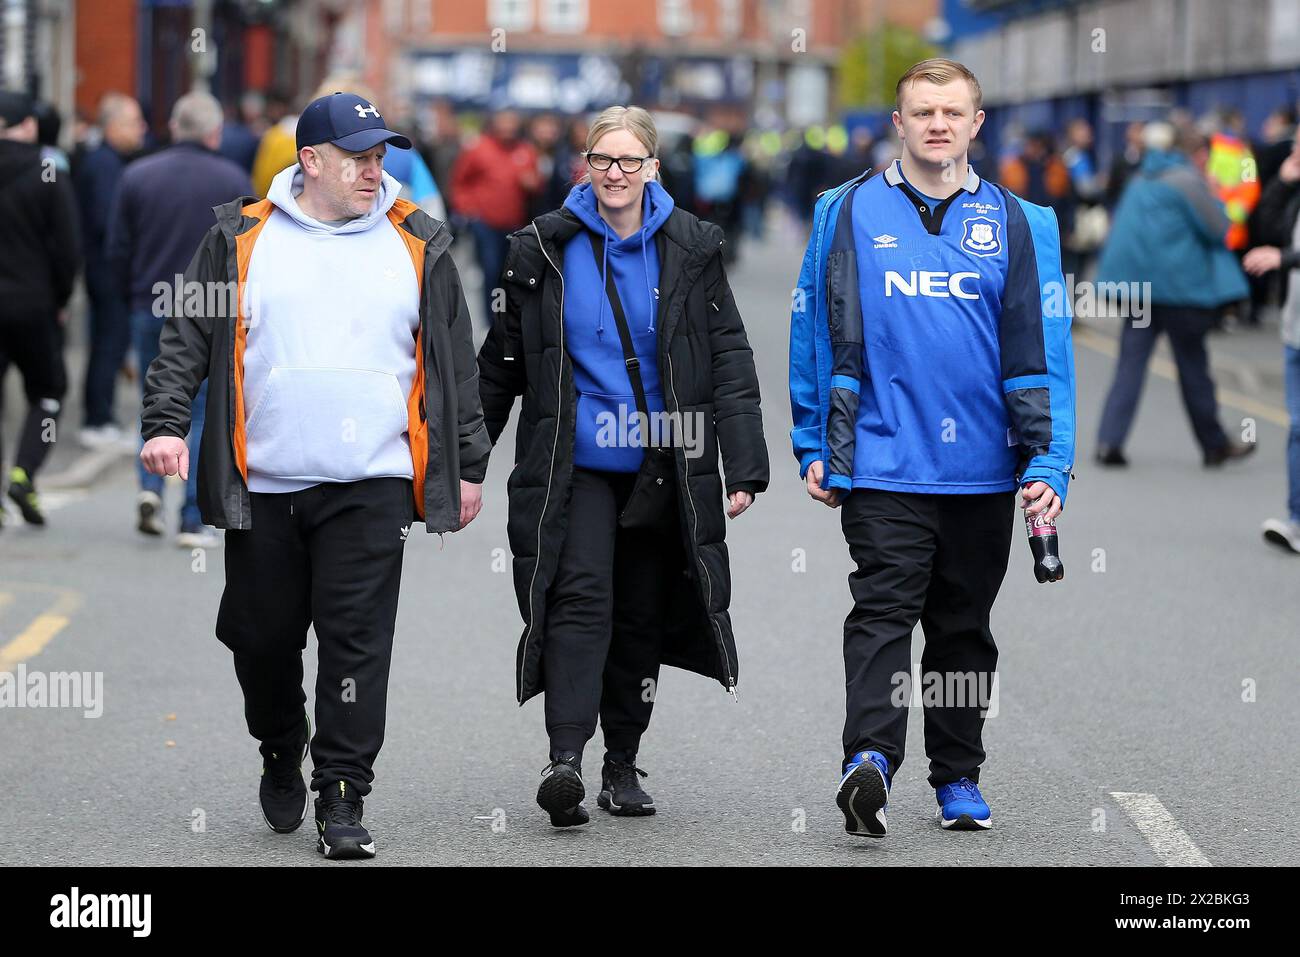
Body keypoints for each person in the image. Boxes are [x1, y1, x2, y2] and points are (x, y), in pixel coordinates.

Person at [139, 92, 490, 859]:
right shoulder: (239, 236)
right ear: (310, 162)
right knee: (259, 638)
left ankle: (342, 791)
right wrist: (166, 422)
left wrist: (467, 466)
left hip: (372, 482)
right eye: (358, 157)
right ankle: (279, 741)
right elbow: (185, 337)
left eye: (380, 156)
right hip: (264, 484)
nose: (374, 170)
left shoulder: (418, 239)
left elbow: (454, 363)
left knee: (356, 642)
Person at [789, 58, 1076, 837]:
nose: (938, 125)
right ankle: (871, 760)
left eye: (953, 112)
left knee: (961, 628)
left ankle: (957, 777)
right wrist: (811, 437)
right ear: (899, 122)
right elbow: (812, 325)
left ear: (977, 124)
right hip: (882, 460)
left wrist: (1048, 460)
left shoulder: (1024, 223)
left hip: (985, 469)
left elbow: (1045, 350)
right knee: (881, 610)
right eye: (923, 112)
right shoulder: (843, 211)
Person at [476, 105, 769, 828]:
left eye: (629, 161)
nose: (614, 173)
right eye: (602, 160)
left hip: (660, 461)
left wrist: (745, 465)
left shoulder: (691, 247)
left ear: (653, 169)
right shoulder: (542, 249)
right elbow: (501, 364)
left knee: (640, 613)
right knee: (579, 599)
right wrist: (461, 463)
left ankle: (621, 763)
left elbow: (728, 355)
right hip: (574, 460)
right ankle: (566, 760)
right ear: (584, 166)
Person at [107, 91, 252, 547]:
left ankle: (149, 488)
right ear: (214, 133)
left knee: (156, 397)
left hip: (151, 301)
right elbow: (246, 253)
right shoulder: (233, 178)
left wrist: (131, 293)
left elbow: (116, 249)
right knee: (207, 411)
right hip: (212, 307)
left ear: (173, 127)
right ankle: (192, 516)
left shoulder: (137, 175)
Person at [1094, 123, 1255, 467]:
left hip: (1140, 291)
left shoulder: (1140, 180)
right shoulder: (1188, 181)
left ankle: (1109, 441)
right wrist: (1214, 193)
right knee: (1193, 366)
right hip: (1182, 291)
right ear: (1197, 155)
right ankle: (1214, 445)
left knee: (1129, 365)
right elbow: (1218, 228)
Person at [0, 91, 81, 530]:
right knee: (48, 392)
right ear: (28, 126)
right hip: (34, 305)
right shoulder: (47, 170)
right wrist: (62, 298)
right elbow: (68, 248)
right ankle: (23, 473)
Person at [75, 92, 146, 448]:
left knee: (110, 342)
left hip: (106, 269)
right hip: (106, 271)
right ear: (114, 125)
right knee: (109, 342)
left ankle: (101, 416)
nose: (142, 129)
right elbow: (108, 221)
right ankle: (97, 418)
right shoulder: (105, 165)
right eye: (134, 122)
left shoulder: (109, 161)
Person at [1243, 135, 1300, 553]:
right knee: (1297, 428)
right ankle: (1296, 521)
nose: (1295, 151)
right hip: (1294, 327)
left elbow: (1285, 252)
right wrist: (1281, 184)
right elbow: (1266, 230)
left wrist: (1286, 259)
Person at [449, 108, 541, 324]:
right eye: (503, 122)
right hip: (486, 224)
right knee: (491, 270)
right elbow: (459, 182)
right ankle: (493, 319)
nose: (508, 128)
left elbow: (537, 184)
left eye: (512, 123)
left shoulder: (525, 151)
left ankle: (509, 316)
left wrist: (532, 183)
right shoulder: (479, 148)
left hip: (515, 225)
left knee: (510, 273)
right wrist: (468, 209)